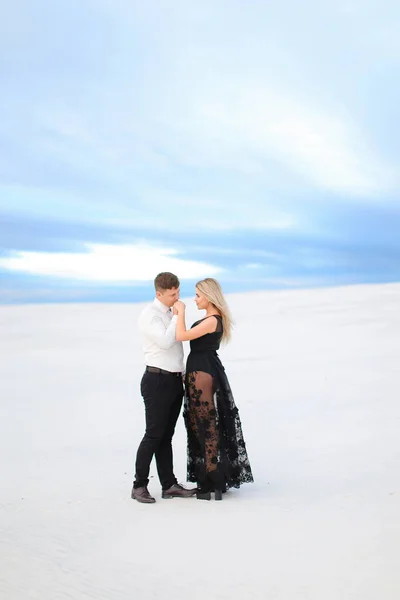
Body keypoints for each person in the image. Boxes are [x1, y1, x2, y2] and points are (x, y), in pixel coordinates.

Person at [174, 278, 253, 501]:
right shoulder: (210, 319)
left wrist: (180, 312)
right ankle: (211, 481)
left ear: (208, 296)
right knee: (201, 424)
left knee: (206, 425)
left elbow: (181, 336)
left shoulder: (212, 320)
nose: (195, 299)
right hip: (201, 370)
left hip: (202, 370)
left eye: (198, 295)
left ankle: (212, 482)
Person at [131, 272, 196, 504]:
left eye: (178, 292)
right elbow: (166, 341)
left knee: (166, 436)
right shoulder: (150, 315)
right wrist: (179, 315)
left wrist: (175, 314)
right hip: (156, 380)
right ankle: (139, 485)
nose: (176, 297)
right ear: (159, 293)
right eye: (172, 294)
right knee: (153, 435)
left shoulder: (169, 312)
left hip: (173, 380)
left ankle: (169, 485)